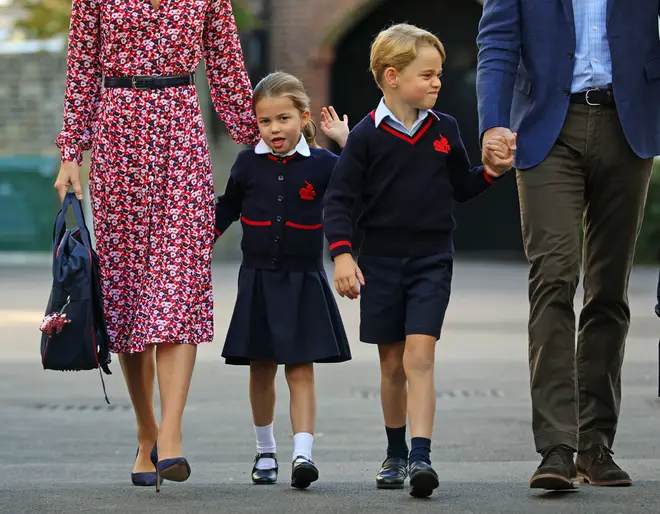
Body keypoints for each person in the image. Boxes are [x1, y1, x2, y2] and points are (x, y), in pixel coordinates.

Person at [53, 0, 259, 491]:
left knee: (179, 281)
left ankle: (171, 432)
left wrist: (269, 140)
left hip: (181, 131)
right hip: (116, 135)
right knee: (126, 294)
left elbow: (228, 67)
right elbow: (81, 68)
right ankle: (147, 431)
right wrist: (70, 154)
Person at [323, 23, 514, 498]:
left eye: (440, 75)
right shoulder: (365, 136)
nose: (437, 83)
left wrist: (490, 172)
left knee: (419, 356)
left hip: (432, 259)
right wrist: (342, 256)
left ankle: (421, 456)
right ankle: (394, 452)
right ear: (392, 76)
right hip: (381, 262)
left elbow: (463, 186)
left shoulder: (445, 130)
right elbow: (339, 201)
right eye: (427, 75)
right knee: (391, 365)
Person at [477, 0, 660, 490]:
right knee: (554, 277)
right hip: (545, 129)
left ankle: (596, 444)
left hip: (629, 126)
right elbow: (496, 43)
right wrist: (493, 121)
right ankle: (557, 446)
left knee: (608, 290)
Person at [214, 71, 352, 489]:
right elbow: (227, 208)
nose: (274, 129)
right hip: (257, 278)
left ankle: (303, 456)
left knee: (300, 367)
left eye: (284, 119)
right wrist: (192, 245)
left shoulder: (327, 164)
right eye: (265, 121)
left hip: (303, 279)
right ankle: (266, 451)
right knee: (260, 368)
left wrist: (347, 143)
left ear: (304, 117)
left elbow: (363, 184)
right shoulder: (246, 163)